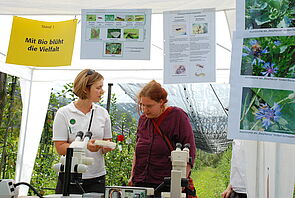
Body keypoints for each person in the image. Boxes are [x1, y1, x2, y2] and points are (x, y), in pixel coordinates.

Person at [128, 80, 196, 197]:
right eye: (142, 105)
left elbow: (190, 151)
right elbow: (137, 151)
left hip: (166, 184)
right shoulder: (143, 120)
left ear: (161, 102)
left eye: (149, 106)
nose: (144, 110)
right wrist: (132, 176)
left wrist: (180, 182)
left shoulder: (177, 116)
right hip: (141, 183)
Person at [53, 69, 114, 194]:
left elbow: (107, 141)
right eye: (98, 87)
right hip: (70, 176)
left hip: (97, 177)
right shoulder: (64, 113)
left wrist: (105, 147)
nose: (102, 91)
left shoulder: (103, 113)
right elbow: (60, 148)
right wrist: (85, 146)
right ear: (86, 89)